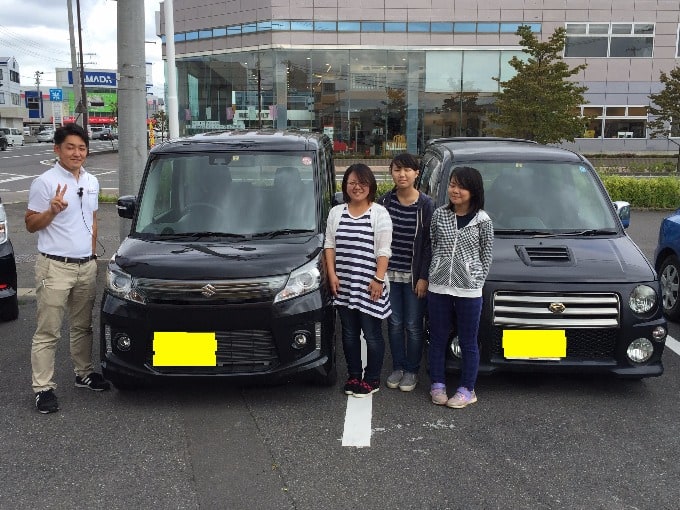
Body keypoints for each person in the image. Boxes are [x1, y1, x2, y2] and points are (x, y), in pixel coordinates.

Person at [26, 123, 110, 414]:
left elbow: (94, 218)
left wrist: (92, 255)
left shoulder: (92, 180)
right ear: (57, 149)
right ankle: (43, 388)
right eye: (70, 147)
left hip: (86, 266)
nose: (77, 153)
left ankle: (83, 373)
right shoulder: (45, 182)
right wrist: (51, 211)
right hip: (54, 267)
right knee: (48, 331)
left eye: (82, 147)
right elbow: (29, 224)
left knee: (82, 326)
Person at [427, 166, 493, 408]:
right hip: (439, 287)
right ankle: (437, 384)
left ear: (473, 191)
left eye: (461, 186)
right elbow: (433, 244)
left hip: (469, 290)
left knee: (468, 340)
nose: (455, 190)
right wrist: (437, 270)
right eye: (452, 185)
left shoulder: (483, 221)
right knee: (438, 338)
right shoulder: (439, 215)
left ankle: (467, 388)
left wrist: (475, 280)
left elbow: (486, 255)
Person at [324, 164, 393, 397]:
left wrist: (378, 279)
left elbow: (384, 250)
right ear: (345, 186)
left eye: (362, 182)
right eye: (352, 182)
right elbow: (329, 245)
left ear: (370, 185)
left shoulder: (378, 213)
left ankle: (372, 379)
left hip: (369, 285)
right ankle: (354, 376)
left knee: (372, 334)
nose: (357, 187)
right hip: (343, 285)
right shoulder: (337, 212)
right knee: (349, 333)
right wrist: (332, 274)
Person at [377, 153, 434, 392]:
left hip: (413, 278)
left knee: (413, 324)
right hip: (390, 276)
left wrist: (423, 277)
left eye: (407, 170)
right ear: (391, 172)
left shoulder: (426, 204)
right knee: (394, 323)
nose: (402, 174)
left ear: (416, 173)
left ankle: (411, 370)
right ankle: (398, 367)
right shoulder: (384, 203)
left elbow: (430, 243)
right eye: (397, 169)